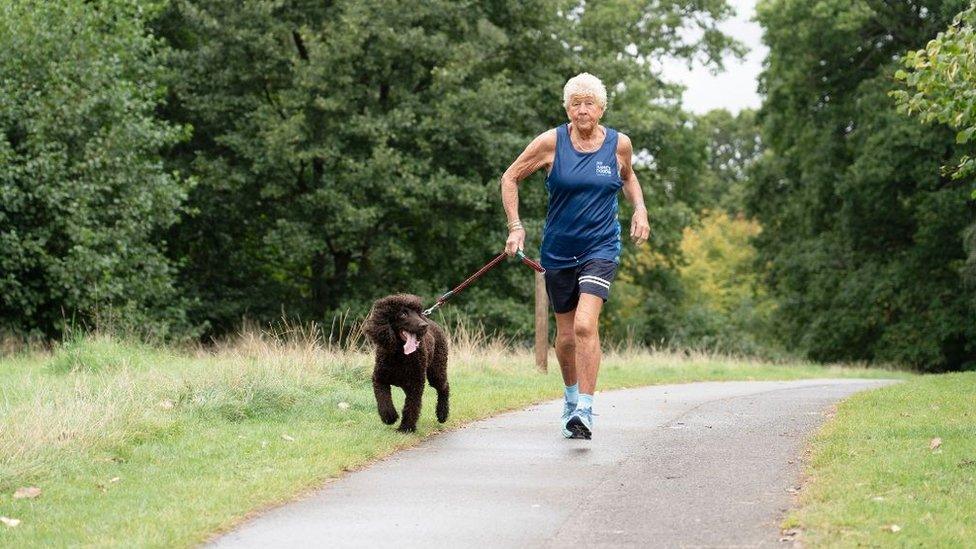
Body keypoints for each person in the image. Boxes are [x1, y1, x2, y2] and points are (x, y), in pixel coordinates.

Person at [500, 72, 650, 440]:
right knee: (565, 335)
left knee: (585, 325)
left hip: (601, 247)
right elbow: (510, 176)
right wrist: (515, 226)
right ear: (567, 108)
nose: (582, 110)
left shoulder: (619, 145)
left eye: (589, 104)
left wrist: (640, 210)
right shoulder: (551, 142)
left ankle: (585, 407)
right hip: (558, 251)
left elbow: (628, 177)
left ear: (601, 108)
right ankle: (570, 401)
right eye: (575, 104)